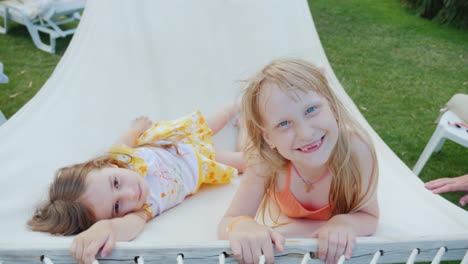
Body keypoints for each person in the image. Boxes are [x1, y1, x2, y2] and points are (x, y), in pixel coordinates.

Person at [28, 103, 245, 264]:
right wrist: (106, 228)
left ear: (109, 167)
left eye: (115, 183)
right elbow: (127, 227)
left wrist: (136, 128)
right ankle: (245, 127)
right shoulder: (143, 210)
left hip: (178, 141)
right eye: (116, 206)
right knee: (245, 161)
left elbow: (126, 141)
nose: (130, 193)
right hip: (201, 164)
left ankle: (242, 104)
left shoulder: (118, 159)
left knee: (219, 118)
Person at [218, 58, 379, 264]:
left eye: (311, 110)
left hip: (280, 151)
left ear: (332, 106)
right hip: (269, 157)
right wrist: (242, 226)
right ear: (268, 138)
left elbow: (369, 217)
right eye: (284, 123)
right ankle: (243, 126)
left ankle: (248, 126)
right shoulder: (264, 160)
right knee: (244, 157)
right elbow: (229, 220)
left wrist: (344, 223)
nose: (305, 134)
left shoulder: (356, 150)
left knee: (247, 156)